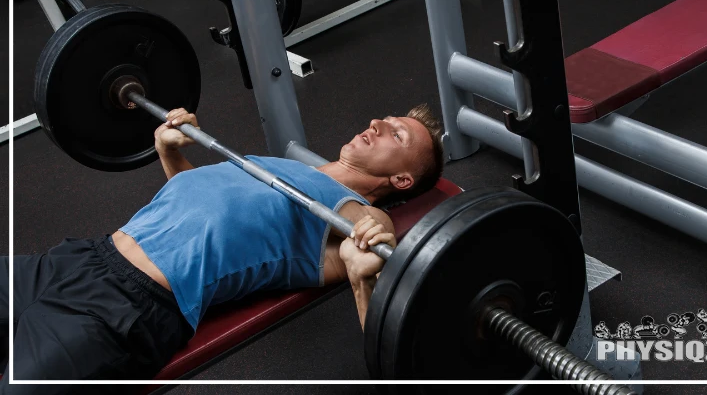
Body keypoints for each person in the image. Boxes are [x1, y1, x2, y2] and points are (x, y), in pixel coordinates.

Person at [0, 103, 444, 394]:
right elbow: (200, 218)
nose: (376, 124)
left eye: (397, 136)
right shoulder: (278, 165)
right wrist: (168, 150)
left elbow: (373, 232)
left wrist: (364, 266)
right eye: (383, 121)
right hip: (76, 261)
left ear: (402, 180)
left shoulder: (349, 208)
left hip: (124, 309)